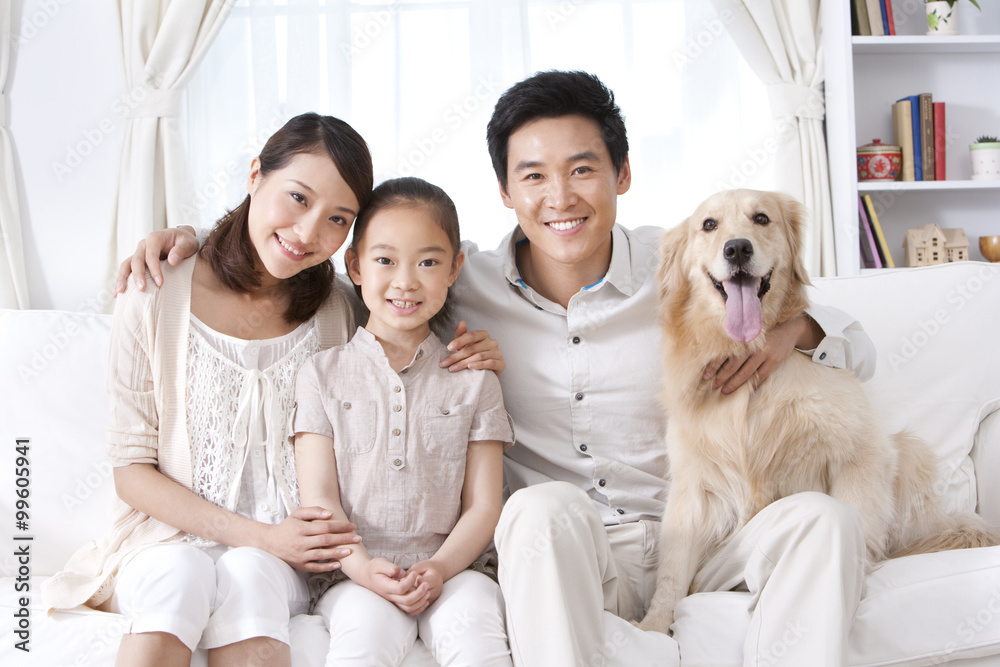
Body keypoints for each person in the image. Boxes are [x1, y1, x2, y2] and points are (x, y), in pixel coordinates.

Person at [116, 72, 875, 666]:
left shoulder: (684, 261)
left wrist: (790, 330)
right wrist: (193, 241)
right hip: (568, 544)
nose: (560, 197)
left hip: (697, 533)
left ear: (623, 174)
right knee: (536, 509)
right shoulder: (459, 282)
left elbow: (855, 344)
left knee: (825, 519)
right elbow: (368, 273)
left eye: (583, 169)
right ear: (506, 193)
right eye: (534, 176)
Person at [44, 113, 503, 667]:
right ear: (255, 174)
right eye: (298, 197)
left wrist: (480, 349)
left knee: (250, 573)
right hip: (166, 542)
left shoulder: (338, 307)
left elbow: (409, 300)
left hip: (289, 557)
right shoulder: (155, 291)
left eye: (338, 218)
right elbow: (131, 473)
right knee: (181, 573)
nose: (308, 233)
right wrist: (260, 536)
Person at [294, 176, 513, 666]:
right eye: (385, 260)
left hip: (456, 570)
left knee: (477, 634)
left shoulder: (475, 380)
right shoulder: (321, 374)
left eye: (428, 262)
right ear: (355, 265)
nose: (406, 281)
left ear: (455, 268)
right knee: (365, 637)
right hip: (352, 574)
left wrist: (439, 568)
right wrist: (364, 569)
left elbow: (484, 505)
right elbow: (321, 500)